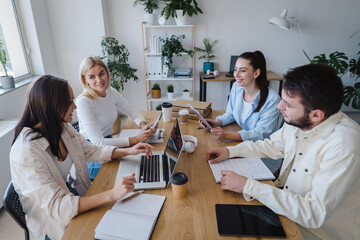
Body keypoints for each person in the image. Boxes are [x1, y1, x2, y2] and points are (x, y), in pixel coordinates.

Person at [206, 64, 360, 239]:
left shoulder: (344, 145)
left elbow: (313, 214)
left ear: (316, 115)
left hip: (317, 231)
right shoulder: (301, 121)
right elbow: (272, 145)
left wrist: (248, 186)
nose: (279, 106)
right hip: (286, 206)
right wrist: (229, 151)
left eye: (287, 104)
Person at [10, 75, 153, 240]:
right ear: (52, 104)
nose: (75, 106)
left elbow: (90, 150)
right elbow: (58, 207)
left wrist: (129, 151)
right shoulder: (25, 153)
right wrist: (112, 194)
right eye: (70, 101)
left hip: (70, 196)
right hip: (54, 226)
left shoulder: (61, 126)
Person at [76, 56, 156, 179]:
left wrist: (143, 126)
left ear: (107, 73)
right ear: (84, 79)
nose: (99, 80)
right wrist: (135, 139)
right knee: (129, 172)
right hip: (92, 153)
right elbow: (98, 142)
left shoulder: (111, 92)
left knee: (140, 163)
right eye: (92, 77)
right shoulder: (84, 102)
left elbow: (133, 112)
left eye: (101, 74)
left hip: (108, 143)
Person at [201, 51, 281, 142]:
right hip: (244, 141)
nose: (236, 74)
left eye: (242, 70)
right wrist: (217, 122)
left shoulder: (273, 100)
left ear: (256, 73)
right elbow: (231, 114)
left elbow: (260, 133)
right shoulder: (236, 87)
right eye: (235, 69)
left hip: (263, 147)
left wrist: (227, 135)